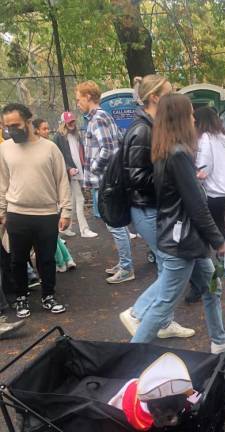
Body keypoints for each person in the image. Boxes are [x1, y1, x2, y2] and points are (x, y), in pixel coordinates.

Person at [130, 93, 225, 355]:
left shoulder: (165, 151)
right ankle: (130, 356)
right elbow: (196, 205)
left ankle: (219, 340)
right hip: (182, 242)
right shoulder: (179, 154)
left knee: (210, 288)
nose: (195, 118)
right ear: (182, 118)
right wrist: (219, 242)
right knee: (164, 303)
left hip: (182, 239)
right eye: (191, 114)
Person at [120, 74, 194, 339]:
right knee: (173, 266)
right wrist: (174, 179)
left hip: (155, 208)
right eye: (168, 92)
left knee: (167, 265)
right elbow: (135, 176)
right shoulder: (143, 129)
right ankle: (138, 312)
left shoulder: (151, 126)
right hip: (147, 209)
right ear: (155, 98)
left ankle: (163, 322)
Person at [0, 103, 71, 318]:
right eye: (7, 126)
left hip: (47, 214)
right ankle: (22, 297)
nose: (12, 130)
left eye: (16, 125)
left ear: (29, 121)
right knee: (18, 259)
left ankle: (48, 295)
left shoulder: (49, 148)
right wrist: (2, 211)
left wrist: (66, 211)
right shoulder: (4, 149)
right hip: (16, 214)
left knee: (46, 259)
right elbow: (2, 182)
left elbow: (62, 180)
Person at [75, 80, 134, 284]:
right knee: (116, 225)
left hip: (105, 181)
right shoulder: (99, 117)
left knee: (115, 225)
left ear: (88, 97)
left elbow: (108, 149)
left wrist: (94, 169)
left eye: (79, 99)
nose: (77, 103)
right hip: (107, 180)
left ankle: (126, 268)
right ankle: (124, 263)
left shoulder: (98, 117)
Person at [183, 107, 225, 304]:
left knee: (212, 236)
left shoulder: (205, 138)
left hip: (215, 193)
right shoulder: (221, 137)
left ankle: (212, 277)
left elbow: (203, 169)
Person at [54, 111, 98, 238]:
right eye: (69, 122)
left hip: (79, 172)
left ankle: (64, 229)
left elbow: (81, 154)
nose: (72, 123)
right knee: (80, 199)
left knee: (72, 202)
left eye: (73, 121)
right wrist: (68, 169)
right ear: (64, 123)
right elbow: (58, 157)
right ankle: (84, 230)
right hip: (70, 173)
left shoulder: (77, 135)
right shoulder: (58, 137)